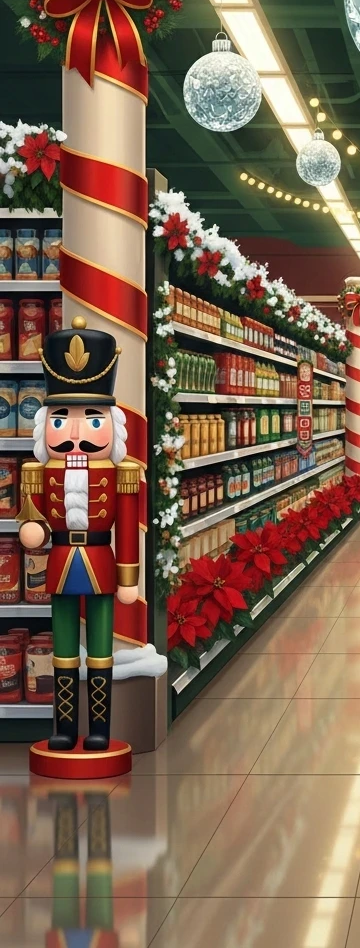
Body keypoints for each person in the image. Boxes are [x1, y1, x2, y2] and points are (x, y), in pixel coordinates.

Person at [17, 317, 141, 752]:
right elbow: (32, 521)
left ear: (112, 424)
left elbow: (128, 527)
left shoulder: (121, 473)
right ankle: (66, 727)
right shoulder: (38, 472)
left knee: (101, 647)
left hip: (102, 561)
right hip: (59, 561)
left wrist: (129, 577)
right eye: (60, 420)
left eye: (91, 420)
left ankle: (100, 727)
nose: (74, 434)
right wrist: (32, 529)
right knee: (64, 646)